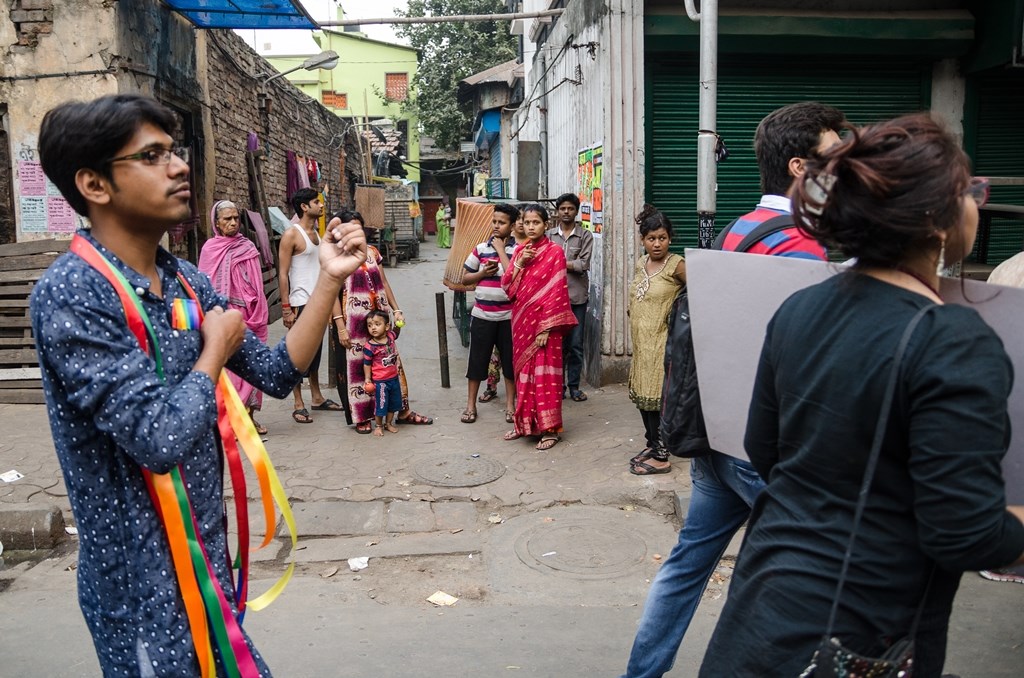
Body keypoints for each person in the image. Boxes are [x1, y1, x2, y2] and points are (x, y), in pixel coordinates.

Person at [29, 94, 367, 676]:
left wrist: (332, 280)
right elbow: (158, 439)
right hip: (141, 584)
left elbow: (278, 374)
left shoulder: (183, 278)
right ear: (94, 184)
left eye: (175, 151)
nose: (181, 166)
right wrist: (213, 352)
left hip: (206, 568)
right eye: (153, 155)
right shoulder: (73, 292)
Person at [699, 114, 1024, 676]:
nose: (977, 202)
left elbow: (766, 449)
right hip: (857, 636)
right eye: (970, 190)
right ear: (936, 218)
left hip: (760, 606)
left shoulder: (800, 309)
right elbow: (965, 533)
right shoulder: (950, 336)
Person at [621, 101, 845, 678]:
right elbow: (807, 363)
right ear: (801, 167)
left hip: (717, 431)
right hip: (763, 444)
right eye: (835, 157)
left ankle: (641, 673)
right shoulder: (799, 246)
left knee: (687, 565)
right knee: (813, 580)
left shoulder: (741, 228)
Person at [331, 210, 433, 433]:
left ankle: (401, 410)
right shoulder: (337, 258)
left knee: (389, 362)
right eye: (351, 228)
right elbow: (331, 294)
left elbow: (384, 282)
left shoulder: (372, 252)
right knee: (360, 369)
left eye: (359, 228)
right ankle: (362, 416)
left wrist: (396, 310)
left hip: (380, 319)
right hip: (355, 325)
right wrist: (340, 327)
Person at [501, 203, 577, 450]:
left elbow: (557, 292)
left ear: (546, 225)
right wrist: (520, 264)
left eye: (536, 222)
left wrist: (546, 328)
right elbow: (508, 289)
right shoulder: (521, 250)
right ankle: (523, 425)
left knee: (545, 376)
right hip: (521, 322)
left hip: (545, 326)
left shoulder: (555, 253)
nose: (531, 227)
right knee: (523, 374)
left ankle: (550, 430)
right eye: (527, 222)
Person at [198, 199, 270, 434]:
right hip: (223, 315)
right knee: (228, 367)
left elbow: (257, 283)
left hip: (249, 314)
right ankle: (230, 419)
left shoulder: (247, 246)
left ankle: (249, 417)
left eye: (235, 218)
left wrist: (258, 309)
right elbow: (205, 287)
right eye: (227, 219)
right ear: (216, 222)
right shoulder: (210, 248)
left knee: (251, 364)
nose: (232, 222)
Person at [626, 205, 686, 476]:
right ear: (643, 240)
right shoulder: (641, 263)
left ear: (670, 238)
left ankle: (662, 455)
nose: (657, 243)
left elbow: (702, 293)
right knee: (643, 399)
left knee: (658, 398)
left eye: (662, 237)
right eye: (651, 238)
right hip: (641, 344)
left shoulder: (677, 265)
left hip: (663, 344)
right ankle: (652, 444)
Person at [279, 187, 344, 423]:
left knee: (315, 353)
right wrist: (286, 308)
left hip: (318, 302)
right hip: (299, 303)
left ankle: (316, 397)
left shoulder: (318, 233)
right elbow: (283, 273)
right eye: (317, 202)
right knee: (297, 355)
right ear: (304, 207)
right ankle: (298, 402)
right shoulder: (291, 235)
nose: (321, 205)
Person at [460, 203, 520, 424]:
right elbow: (465, 278)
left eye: (502, 222)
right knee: (476, 361)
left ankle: (510, 406)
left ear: (512, 226)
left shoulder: (517, 250)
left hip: (508, 318)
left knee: (510, 364)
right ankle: (470, 406)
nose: (496, 225)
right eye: (494, 221)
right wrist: (482, 273)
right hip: (482, 316)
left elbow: (515, 277)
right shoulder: (480, 249)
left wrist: (502, 250)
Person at [547, 192, 593, 402]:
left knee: (575, 344)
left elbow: (583, 265)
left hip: (577, 299)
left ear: (576, 211)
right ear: (558, 211)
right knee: (557, 345)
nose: (566, 212)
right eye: (563, 208)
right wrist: (568, 263)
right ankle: (559, 386)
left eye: (570, 208)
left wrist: (558, 263)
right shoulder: (548, 236)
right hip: (553, 299)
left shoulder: (585, 236)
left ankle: (574, 387)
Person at [480, 210, 529, 403]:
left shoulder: (523, 247)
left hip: (516, 310)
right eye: (523, 221)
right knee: (495, 354)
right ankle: (491, 386)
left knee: (511, 357)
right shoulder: (498, 243)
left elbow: (514, 276)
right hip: (495, 310)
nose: (524, 225)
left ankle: (516, 397)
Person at [362, 310, 404, 436]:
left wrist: (399, 322)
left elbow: (396, 332)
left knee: (393, 403)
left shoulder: (390, 337)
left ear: (386, 326)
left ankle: (389, 423)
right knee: (381, 405)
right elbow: (366, 364)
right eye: (370, 325)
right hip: (381, 382)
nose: (373, 327)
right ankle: (379, 425)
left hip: (394, 378)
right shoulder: (370, 347)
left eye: (377, 324)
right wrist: (368, 379)